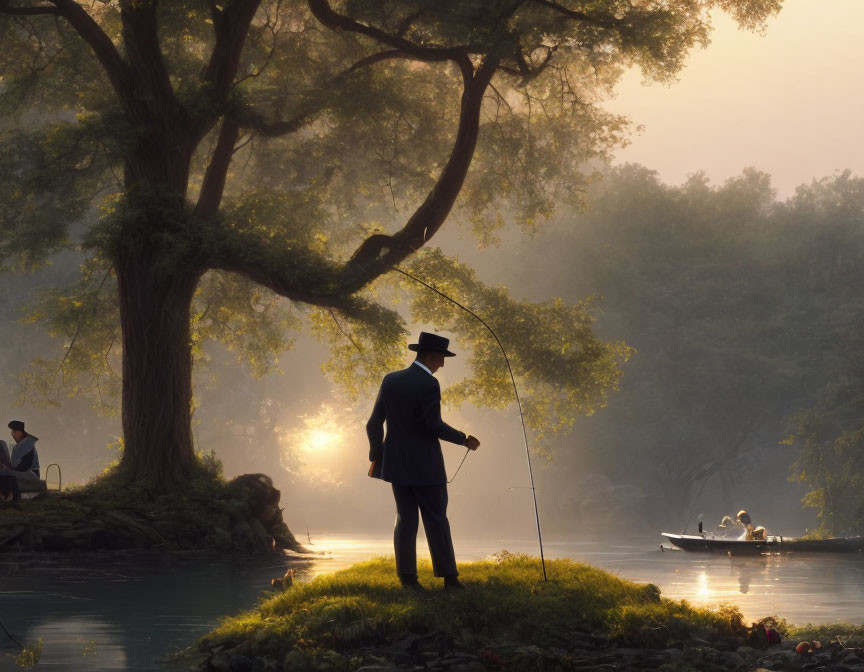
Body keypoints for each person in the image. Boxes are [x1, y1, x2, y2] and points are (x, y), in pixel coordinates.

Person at [367, 332, 480, 592]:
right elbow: (434, 425)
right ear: (431, 356)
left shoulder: (391, 379)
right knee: (436, 518)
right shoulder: (429, 384)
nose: (443, 363)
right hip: (426, 466)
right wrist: (464, 439)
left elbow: (373, 423)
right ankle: (450, 579)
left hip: (396, 465)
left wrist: (377, 454)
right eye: (442, 357)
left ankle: (408, 579)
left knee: (405, 519)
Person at [0, 420, 40, 505]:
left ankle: (8, 497)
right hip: (25, 472)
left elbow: (23, 467)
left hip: (30, 474)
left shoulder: (26, 445)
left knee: (4, 473)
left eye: (14, 431)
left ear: (20, 432)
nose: (12, 434)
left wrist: (8, 469)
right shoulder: (23, 444)